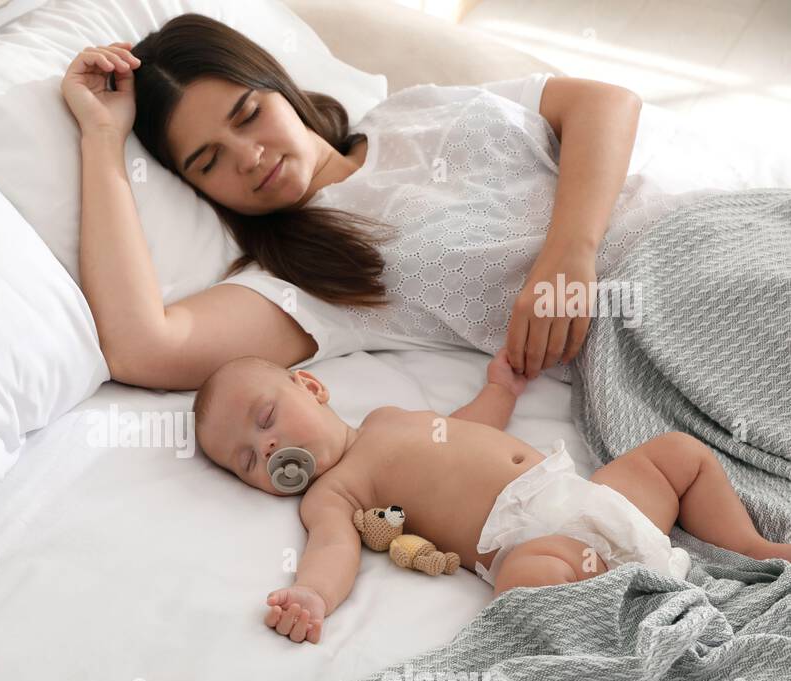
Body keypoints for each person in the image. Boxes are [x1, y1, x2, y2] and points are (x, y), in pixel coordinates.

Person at [59, 13, 679, 391]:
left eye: (248, 114)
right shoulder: (308, 279)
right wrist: (102, 138)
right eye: (209, 161)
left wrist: (569, 255)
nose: (247, 156)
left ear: (280, 88)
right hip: (655, 337)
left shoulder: (409, 110)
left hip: (695, 228)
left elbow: (604, 102)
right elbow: (142, 347)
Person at [191, 349, 791, 643]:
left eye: (266, 418)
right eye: (246, 460)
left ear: (310, 386)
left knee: (677, 454)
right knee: (521, 584)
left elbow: (465, 427)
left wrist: (499, 389)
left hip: (585, 496)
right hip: (534, 542)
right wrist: (312, 596)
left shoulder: (386, 417)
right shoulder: (332, 492)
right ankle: (621, 610)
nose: (266, 449)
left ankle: (753, 548)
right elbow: (333, 549)